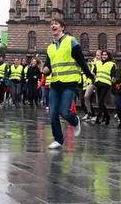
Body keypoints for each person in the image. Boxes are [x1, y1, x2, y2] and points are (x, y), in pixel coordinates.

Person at [41, 18, 94, 149]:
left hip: (69, 83)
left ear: (62, 27)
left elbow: (81, 61)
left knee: (64, 112)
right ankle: (58, 139)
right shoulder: (50, 47)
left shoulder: (71, 41)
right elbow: (48, 65)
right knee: (53, 114)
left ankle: (75, 121)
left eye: (56, 24)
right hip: (55, 83)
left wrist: (90, 75)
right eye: (51, 24)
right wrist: (45, 70)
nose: (53, 25)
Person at [95, 50, 116, 125]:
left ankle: (99, 117)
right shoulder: (97, 63)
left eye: (105, 55)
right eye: (103, 55)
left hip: (106, 84)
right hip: (98, 83)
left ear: (108, 56)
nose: (104, 56)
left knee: (100, 100)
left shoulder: (111, 64)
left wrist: (113, 81)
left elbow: (113, 75)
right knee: (101, 101)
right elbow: (94, 72)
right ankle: (107, 116)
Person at [83, 50, 101, 122]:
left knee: (99, 100)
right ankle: (89, 113)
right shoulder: (93, 62)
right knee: (86, 96)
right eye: (96, 55)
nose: (97, 56)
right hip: (93, 82)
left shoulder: (103, 63)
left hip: (100, 82)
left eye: (98, 55)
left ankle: (99, 115)